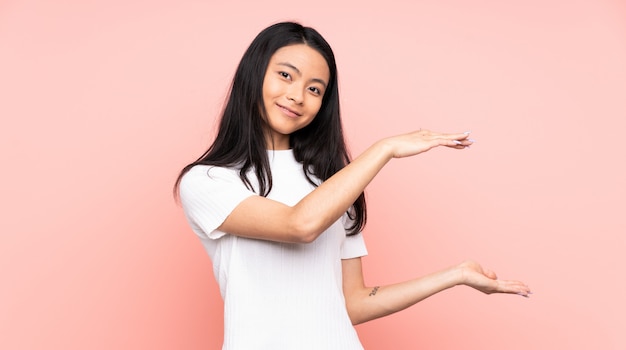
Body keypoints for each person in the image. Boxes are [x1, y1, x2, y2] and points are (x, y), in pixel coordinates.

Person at [175, 21, 530, 350]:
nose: (298, 95)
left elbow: (353, 303)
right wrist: (385, 148)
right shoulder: (208, 180)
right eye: (285, 75)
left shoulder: (331, 183)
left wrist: (456, 275)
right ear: (253, 77)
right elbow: (299, 225)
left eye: (315, 89)